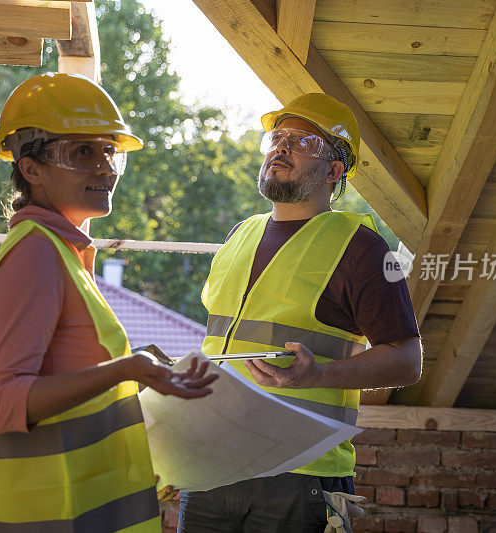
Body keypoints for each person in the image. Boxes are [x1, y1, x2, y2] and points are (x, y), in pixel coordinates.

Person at [0, 72, 216, 532]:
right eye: (83, 152)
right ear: (31, 169)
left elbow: (72, 384)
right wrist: (125, 369)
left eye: (109, 152)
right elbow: (5, 403)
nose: (107, 168)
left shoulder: (62, 254)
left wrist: (134, 375)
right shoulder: (36, 253)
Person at [178, 93, 422, 532]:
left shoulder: (364, 248)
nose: (281, 148)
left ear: (334, 171)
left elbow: (408, 360)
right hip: (212, 466)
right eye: (277, 137)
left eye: (302, 141)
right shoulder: (238, 236)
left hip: (301, 476)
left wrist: (318, 375)